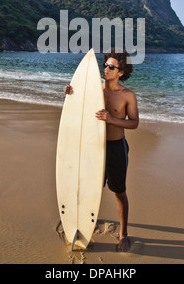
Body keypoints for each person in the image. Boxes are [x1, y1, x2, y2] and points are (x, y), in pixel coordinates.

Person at [65, 48, 139, 252]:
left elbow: (134, 123)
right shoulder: (94, 89)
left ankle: (123, 233)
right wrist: (71, 92)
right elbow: (78, 105)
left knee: (119, 192)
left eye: (111, 67)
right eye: (105, 65)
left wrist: (112, 119)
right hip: (92, 145)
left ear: (120, 72)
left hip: (116, 148)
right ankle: (84, 222)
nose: (105, 69)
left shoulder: (127, 96)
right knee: (89, 187)